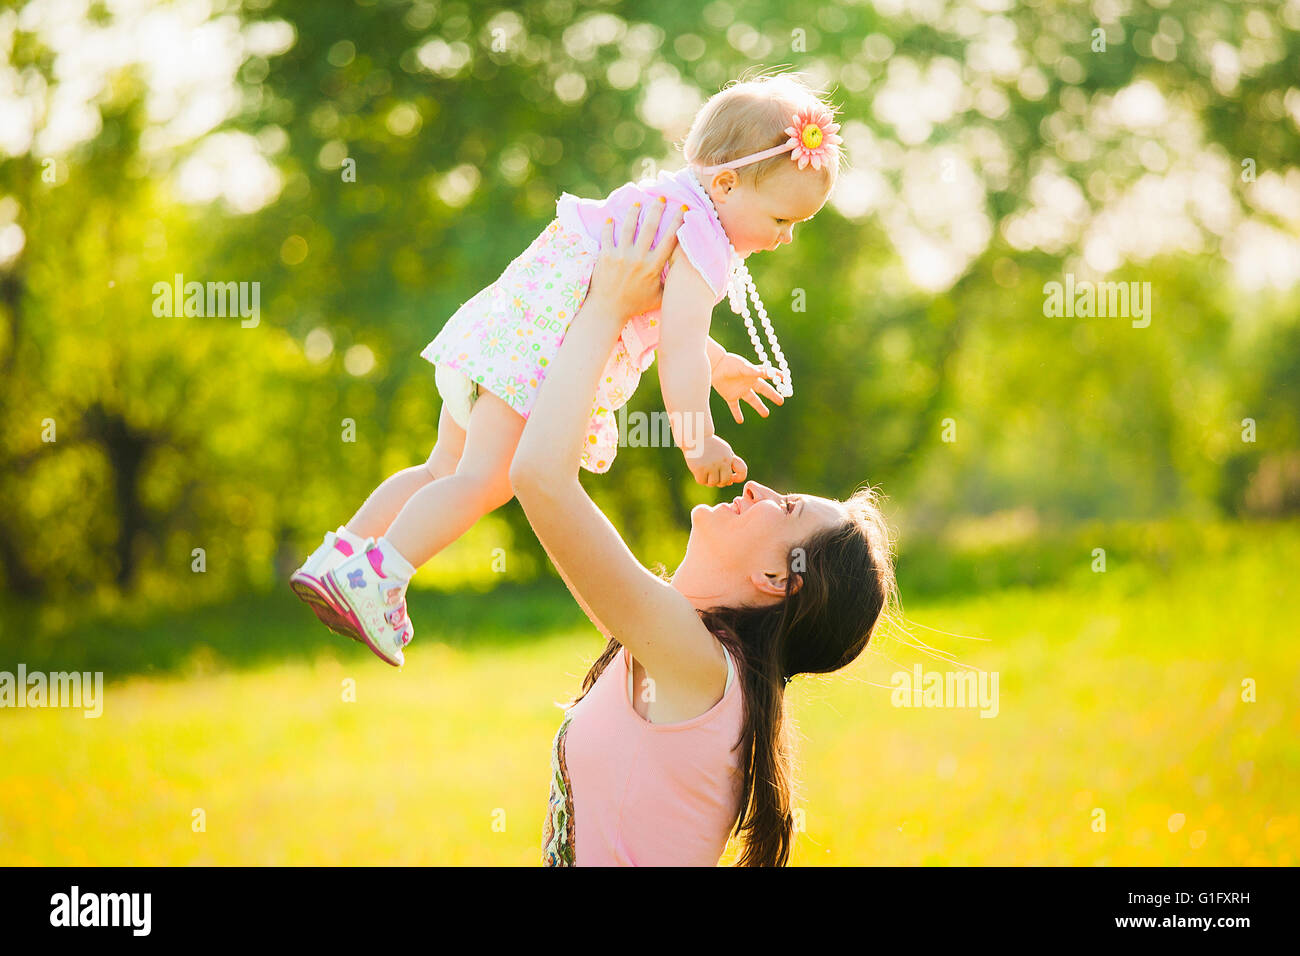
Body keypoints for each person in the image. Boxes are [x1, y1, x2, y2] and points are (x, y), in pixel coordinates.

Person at [290, 72, 846, 667]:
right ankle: (379, 577)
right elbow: (678, 348)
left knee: (441, 469)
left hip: (503, 336)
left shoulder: (667, 203)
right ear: (728, 184)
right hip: (536, 363)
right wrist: (698, 440)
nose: (784, 239)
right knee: (484, 480)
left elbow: (668, 330)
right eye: (782, 221)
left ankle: (340, 554)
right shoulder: (704, 241)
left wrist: (720, 364)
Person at [515, 199, 898, 867]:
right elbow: (541, 476)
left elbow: (542, 480)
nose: (756, 490)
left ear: (778, 580)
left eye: (783, 510)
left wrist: (609, 307)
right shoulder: (693, 662)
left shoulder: (697, 667)